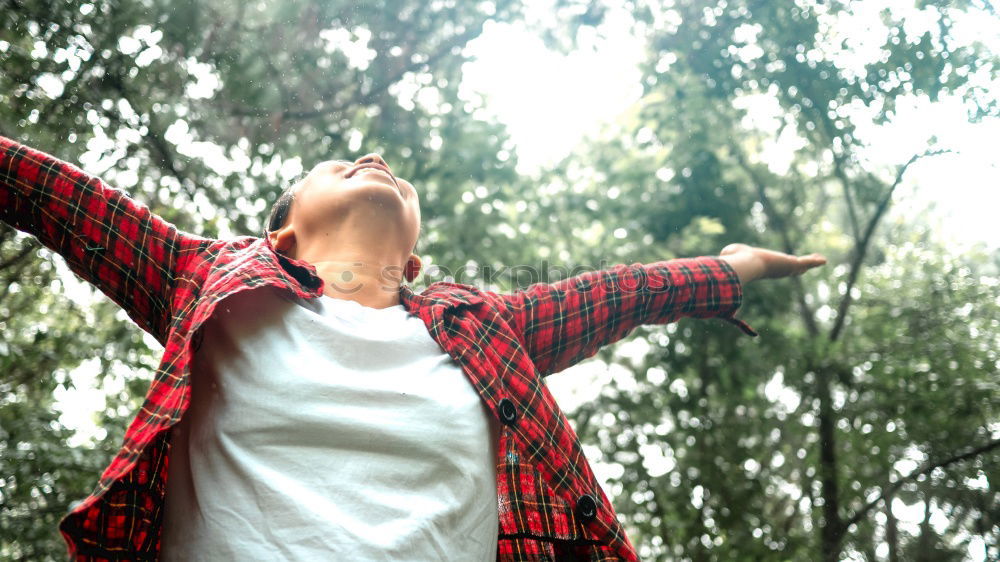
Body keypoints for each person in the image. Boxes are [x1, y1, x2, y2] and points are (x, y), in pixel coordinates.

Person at [0, 135, 826, 561]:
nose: (377, 160)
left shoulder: (483, 329)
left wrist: (730, 269)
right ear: (281, 233)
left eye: (395, 174)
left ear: (417, 263)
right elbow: (55, 197)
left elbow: (620, 294)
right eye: (340, 164)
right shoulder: (211, 282)